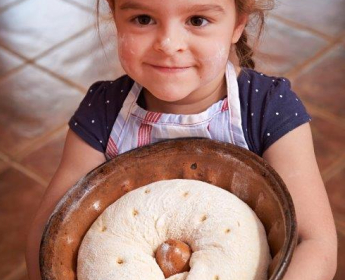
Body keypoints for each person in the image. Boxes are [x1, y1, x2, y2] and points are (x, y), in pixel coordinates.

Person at [26, 0, 338, 279]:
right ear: (115, 13)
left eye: (197, 20)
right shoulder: (103, 111)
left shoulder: (268, 107)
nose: (168, 43)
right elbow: (50, 234)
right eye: (144, 19)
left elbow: (315, 242)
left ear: (238, 22)